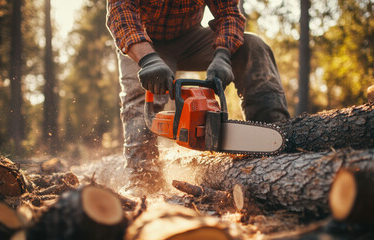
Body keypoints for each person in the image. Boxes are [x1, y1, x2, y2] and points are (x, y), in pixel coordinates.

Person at [106, 0, 290, 192]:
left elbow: (228, 11)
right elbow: (120, 10)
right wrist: (148, 59)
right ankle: (142, 179)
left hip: (192, 38)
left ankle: (276, 139)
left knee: (253, 46)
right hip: (143, 38)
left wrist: (223, 55)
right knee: (141, 91)